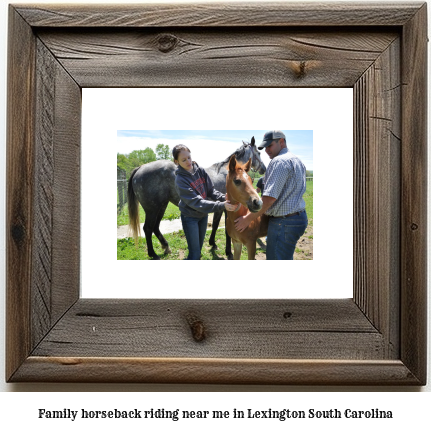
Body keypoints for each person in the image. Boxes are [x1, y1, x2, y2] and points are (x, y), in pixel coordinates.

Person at [234, 131, 308, 260]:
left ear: (281, 142)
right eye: (265, 147)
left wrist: (247, 219)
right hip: (298, 218)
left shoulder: (279, 162)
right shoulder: (297, 161)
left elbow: (268, 200)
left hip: (283, 223)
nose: (267, 150)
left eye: (270, 145)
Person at [173, 144, 238, 260]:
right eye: (183, 160)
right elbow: (197, 202)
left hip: (203, 216)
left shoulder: (200, 171)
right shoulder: (180, 180)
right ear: (176, 162)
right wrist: (222, 205)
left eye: (189, 157)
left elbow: (211, 191)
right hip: (190, 218)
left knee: (199, 249)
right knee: (194, 253)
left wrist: (224, 198)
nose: (188, 161)